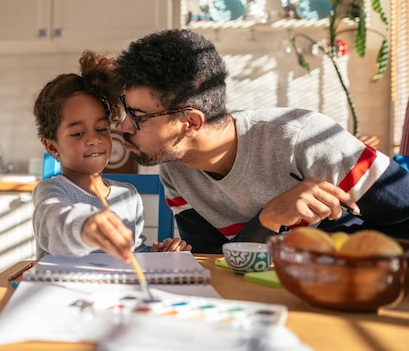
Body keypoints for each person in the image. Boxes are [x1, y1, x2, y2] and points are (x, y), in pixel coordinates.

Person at [113, 29, 409, 253]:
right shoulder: (176, 171)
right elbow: (219, 259)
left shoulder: (304, 138)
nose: (124, 126)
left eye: (137, 116)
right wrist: (268, 218)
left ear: (190, 122)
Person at [32, 50, 191, 260]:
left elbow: (131, 255)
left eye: (101, 129)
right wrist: (85, 227)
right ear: (52, 147)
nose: (93, 139)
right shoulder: (52, 191)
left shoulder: (128, 195)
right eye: (78, 133)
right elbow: (53, 223)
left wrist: (157, 255)